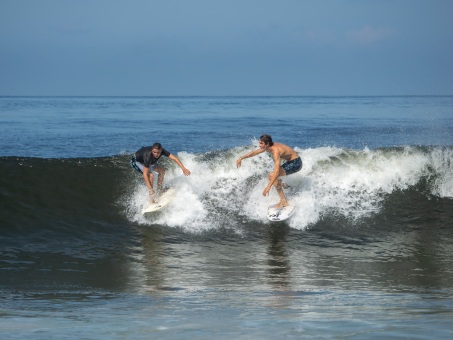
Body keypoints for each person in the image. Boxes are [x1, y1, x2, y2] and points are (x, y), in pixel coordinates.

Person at [236, 134, 302, 208]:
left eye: (261, 143)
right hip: (291, 161)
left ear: (267, 144)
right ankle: (287, 187)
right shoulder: (269, 146)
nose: (259, 145)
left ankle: (284, 201)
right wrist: (241, 158)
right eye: (259, 143)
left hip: (296, 163)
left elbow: (276, 172)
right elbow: (254, 152)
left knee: (272, 175)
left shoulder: (275, 151)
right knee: (272, 176)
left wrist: (268, 187)